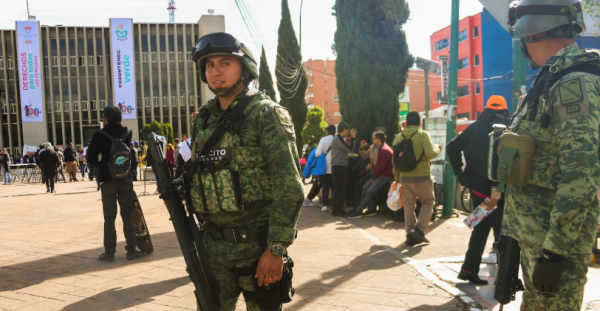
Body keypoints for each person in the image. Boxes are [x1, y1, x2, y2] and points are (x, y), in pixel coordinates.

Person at [186, 32, 304, 311]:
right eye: (209, 64)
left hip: (257, 250)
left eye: (225, 63)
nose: (215, 71)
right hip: (213, 247)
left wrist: (275, 250)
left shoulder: (266, 114)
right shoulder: (204, 117)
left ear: (245, 69)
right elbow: (202, 171)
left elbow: (289, 184)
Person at [500, 1, 600, 309]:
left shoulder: (573, 83)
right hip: (536, 236)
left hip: (553, 244)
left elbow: (581, 173)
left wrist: (555, 252)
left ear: (532, 36)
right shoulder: (554, 79)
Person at [446, 95, 510, 285]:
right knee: (503, 233)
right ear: (505, 110)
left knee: (480, 229)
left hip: (478, 190)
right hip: (500, 191)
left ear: (486, 109)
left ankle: (468, 269)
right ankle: (505, 277)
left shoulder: (473, 128)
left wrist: (461, 174)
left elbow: (451, 147)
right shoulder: (509, 129)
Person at [87, 106, 146, 262]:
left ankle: (109, 252)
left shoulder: (99, 134)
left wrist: (102, 166)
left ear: (105, 118)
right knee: (127, 216)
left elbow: (90, 157)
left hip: (108, 181)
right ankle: (131, 250)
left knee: (109, 219)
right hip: (125, 179)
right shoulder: (127, 133)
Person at [392, 111, 441, 246]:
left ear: (406, 123)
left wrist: (397, 177)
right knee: (428, 201)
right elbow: (431, 154)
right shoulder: (422, 134)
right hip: (422, 177)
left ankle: (410, 235)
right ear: (419, 123)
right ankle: (419, 229)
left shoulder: (398, 137)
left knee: (409, 207)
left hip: (404, 177)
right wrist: (438, 148)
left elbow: (394, 160)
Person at [347, 130, 394, 218]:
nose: (371, 139)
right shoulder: (377, 147)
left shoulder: (384, 150)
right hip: (379, 174)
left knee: (369, 191)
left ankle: (358, 211)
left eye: (373, 138)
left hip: (385, 175)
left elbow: (380, 168)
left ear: (379, 139)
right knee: (365, 187)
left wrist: (373, 178)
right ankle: (371, 209)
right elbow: (366, 156)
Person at [330, 121, 357, 217]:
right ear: (344, 129)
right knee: (339, 189)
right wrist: (353, 138)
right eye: (348, 130)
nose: (348, 132)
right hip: (339, 167)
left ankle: (339, 208)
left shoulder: (339, 139)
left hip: (339, 167)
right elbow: (349, 149)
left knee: (340, 189)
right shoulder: (339, 139)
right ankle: (336, 210)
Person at [308, 125, 336, 211]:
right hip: (336, 167)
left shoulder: (323, 139)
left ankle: (325, 205)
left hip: (324, 167)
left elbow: (317, 153)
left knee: (325, 186)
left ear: (327, 131)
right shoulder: (338, 139)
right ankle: (336, 205)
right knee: (335, 187)